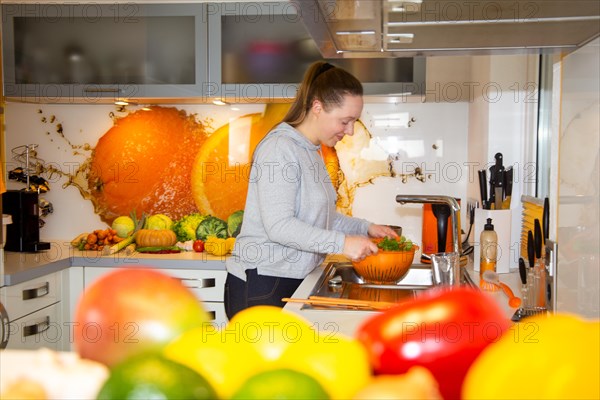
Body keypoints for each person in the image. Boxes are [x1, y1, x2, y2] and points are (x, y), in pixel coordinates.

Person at [224, 61, 397, 319]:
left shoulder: (312, 151)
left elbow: (318, 216)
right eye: (345, 121)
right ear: (317, 107)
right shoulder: (279, 149)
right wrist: (342, 243)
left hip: (288, 276)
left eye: (354, 122)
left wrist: (365, 228)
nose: (349, 131)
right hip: (263, 281)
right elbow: (279, 226)